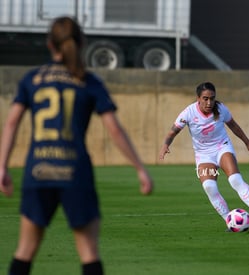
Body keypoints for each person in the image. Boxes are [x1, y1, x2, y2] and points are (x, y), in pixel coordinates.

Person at [0, 16, 153, 275]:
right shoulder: (88, 81)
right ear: (81, 43)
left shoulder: (32, 79)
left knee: (24, 253)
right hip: (75, 173)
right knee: (89, 253)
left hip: (38, 172)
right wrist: (140, 168)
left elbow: (12, 123)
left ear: (50, 44)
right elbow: (114, 128)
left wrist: (2, 166)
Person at [159, 81, 249, 231]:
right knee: (209, 187)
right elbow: (173, 132)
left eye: (212, 98)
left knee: (235, 179)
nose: (209, 102)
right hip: (203, 155)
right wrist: (166, 144)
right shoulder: (188, 113)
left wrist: (248, 143)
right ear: (198, 98)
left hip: (222, 147)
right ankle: (230, 222)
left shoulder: (221, 109)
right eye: (205, 98)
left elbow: (234, 126)